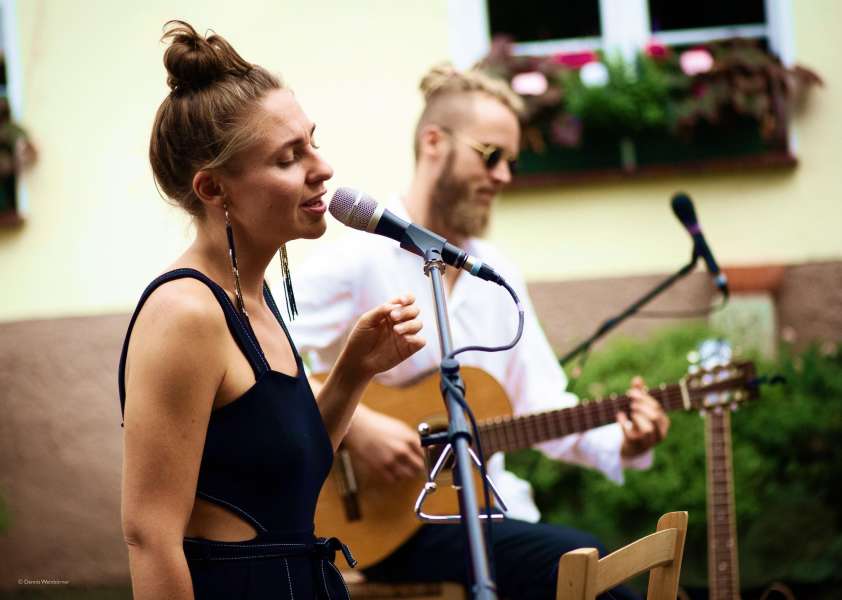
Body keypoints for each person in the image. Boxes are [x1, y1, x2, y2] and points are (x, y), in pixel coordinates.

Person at [291, 64, 671, 600]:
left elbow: (542, 403)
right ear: (434, 143)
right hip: (377, 527)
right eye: (491, 155)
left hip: (484, 510)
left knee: (586, 567)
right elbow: (262, 356)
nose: (504, 176)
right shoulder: (356, 260)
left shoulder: (495, 274)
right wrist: (359, 426)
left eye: (511, 161)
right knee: (577, 560)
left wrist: (623, 440)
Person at [118, 21, 426, 600]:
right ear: (214, 190)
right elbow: (149, 536)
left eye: (313, 141)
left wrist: (354, 371)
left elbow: (288, 481)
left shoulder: (252, 300)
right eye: (289, 157)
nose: (322, 168)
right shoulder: (186, 314)